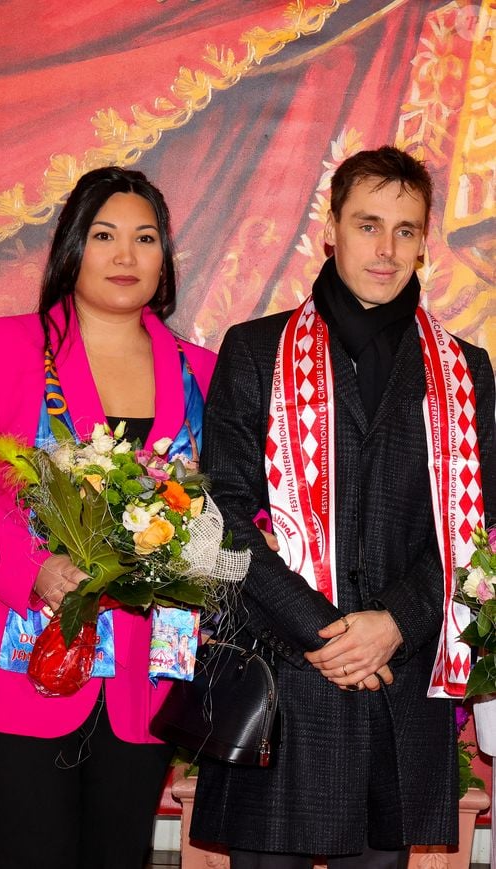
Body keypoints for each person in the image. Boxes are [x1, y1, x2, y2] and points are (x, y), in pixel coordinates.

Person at [190, 146, 496, 868]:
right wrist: (326, 632)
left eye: (406, 229)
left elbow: (478, 523)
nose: (386, 249)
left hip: (396, 679)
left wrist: (394, 622)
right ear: (331, 230)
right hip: (285, 679)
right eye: (367, 224)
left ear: (426, 239)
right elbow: (221, 514)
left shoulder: (465, 369)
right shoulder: (256, 349)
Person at [0, 166, 217, 869]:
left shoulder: (201, 370)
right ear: (71, 247)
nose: (125, 256)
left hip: (148, 676)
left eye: (145, 239)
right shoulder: (2, 347)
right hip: (17, 663)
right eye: (105, 235)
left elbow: (228, 509)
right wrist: (39, 570)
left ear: (164, 258)